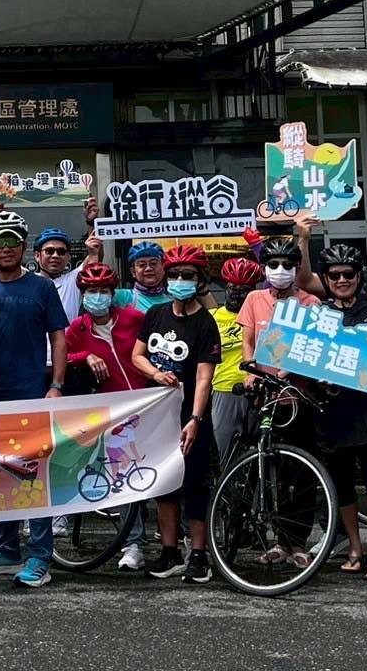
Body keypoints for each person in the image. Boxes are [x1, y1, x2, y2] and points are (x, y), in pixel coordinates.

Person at [0, 210, 69, 589]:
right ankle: (7, 546)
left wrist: (56, 385)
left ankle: (40, 556)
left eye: (13, 240)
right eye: (0, 242)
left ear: (24, 246)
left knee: (33, 476)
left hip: (31, 393)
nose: (7, 247)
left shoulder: (42, 287)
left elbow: (58, 337)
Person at [309, 244, 367, 584]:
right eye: (334, 275)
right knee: (342, 485)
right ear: (325, 278)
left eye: (348, 274)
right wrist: (315, 376)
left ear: (359, 276)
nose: (342, 280)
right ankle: (354, 547)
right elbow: (302, 357)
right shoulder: (317, 315)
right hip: (334, 412)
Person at [128, 244, 219, 582]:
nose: (181, 280)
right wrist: (155, 374)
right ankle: (170, 552)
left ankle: (199, 554)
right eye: (175, 274)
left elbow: (204, 377)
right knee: (163, 484)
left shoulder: (205, 322)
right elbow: (137, 355)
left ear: (200, 280)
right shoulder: (156, 314)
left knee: (194, 484)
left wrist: (194, 420)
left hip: (190, 415)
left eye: (188, 275)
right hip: (157, 414)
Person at [62, 261, 149, 570]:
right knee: (122, 473)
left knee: (161, 470)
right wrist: (85, 356)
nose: (97, 296)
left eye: (102, 290)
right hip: (113, 411)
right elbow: (63, 355)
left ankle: (178, 540)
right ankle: (133, 544)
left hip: (148, 403)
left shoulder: (134, 318)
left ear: (113, 294)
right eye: (90, 291)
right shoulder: (77, 328)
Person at [0, 196, 102, 318]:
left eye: (61, 252)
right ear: (37, 255)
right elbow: (2, 263)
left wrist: (92, 222)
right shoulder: (24, 279)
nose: (55, 256)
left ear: (68, 257)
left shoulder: (74, 281)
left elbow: (94, 254)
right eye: (49, 251)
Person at [238, 236, 320, 368]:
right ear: (263, 269)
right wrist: (251, 370)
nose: (280, 270)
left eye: (287, 265)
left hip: (297, 378)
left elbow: (314, 346)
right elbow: (248, 342)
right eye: (273, 265)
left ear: (297, 270)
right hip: (260, 377)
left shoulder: (311, 302)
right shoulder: (253, 298)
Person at [211, 256, 262, 462]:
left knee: (261, 452)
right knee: (227, 453)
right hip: (225, 388)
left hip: (259, 388)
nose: (238, 293)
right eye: (233, 287)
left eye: (244, 289)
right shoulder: (213, 316)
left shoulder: (262, 314)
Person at [114, 240, 172, 312]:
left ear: (163, 268)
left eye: (153, 263)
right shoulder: (122, 297)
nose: (148, 268)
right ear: (133, 271)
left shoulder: (173, 301)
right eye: (142, 265)